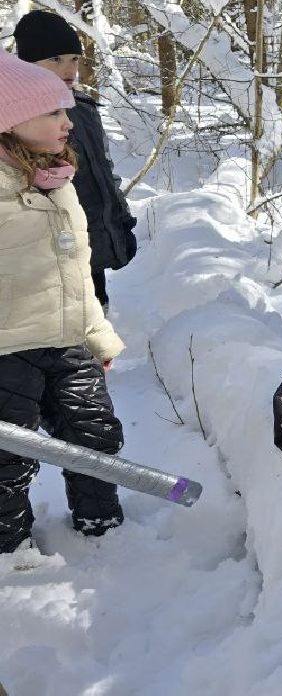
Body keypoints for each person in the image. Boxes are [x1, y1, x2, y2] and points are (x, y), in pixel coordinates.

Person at [0, 52, 126, 554]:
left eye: (65, 111)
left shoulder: (60, 179)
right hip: (8, 352)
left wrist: (96, 335)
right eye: (52, 113)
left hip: (70, 342)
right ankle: (8, 548)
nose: (66, 123)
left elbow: (76, 271)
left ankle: (105, 533)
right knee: (9, 459)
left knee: (96, 437)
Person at [13, 11, 138, 310]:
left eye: (74, 59)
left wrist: (119, 224)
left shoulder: (82, 109)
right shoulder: (15, 115)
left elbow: (102, 173)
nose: (69, 69)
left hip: (89, 246)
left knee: (96, 325)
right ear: (27, 64)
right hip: (43, 260)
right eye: (56, 59)